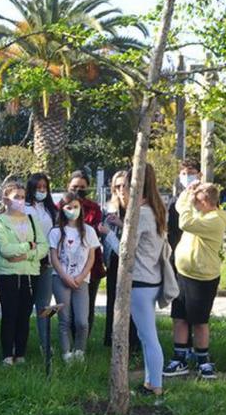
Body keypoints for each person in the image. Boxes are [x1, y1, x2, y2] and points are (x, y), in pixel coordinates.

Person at [168, 181, 226, 380]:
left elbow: (184, 222)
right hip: (183, 273)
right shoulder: (200, 214)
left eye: (197, 200)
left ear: (207, 201)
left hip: (203, 278)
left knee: (199, 322)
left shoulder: (215, 220)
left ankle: (203, 360)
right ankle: (180, 357)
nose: (193, 203)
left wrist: (188, 200)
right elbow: (180, 208)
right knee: (179, 318)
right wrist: (187, 192)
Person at [0, 180, 49, 365]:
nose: (20, 200)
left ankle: (21, 353)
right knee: (10, 314)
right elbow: (6, 249)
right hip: (8, 275)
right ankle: (7, 354)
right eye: (16, 197)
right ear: (6, 199)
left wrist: (27, 255)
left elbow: (43, 247)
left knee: (24, 315)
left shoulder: (32, 220)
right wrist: (28, 246)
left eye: (23, 197)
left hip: (30, 274)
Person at [126, 164, 169, 397]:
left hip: (141, 280)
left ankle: (156, 386)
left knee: (149, 337)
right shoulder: (156, 208)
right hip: (152, 279)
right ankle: (150, 383)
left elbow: (127, 251)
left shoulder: (142, 213)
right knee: (146, 336)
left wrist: (107, 233)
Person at [163, 158, 202, 372]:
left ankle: (200, 353)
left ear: (200, 174)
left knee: (198, 313)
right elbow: (170, 231)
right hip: (178, 262)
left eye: (192, 172)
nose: (188, 176)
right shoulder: (176, 202)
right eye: (184, 172)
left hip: (199, 264)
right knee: (179, 312)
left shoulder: (206, 200)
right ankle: (181, 353)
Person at [49, 193, 98, 362]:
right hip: (60, 279)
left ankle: (79, 351)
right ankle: (66, 353)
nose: (73, 210)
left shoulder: (89, 231)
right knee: (65, 319)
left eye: (76, 207)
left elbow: (91, 257)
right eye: (69, 207)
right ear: (62, 209)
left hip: (81, 280)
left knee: (82, 321)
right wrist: (64, 276)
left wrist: (81, 276)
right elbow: (53, 257)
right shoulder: (56, 232)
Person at [66, 171, 106, 346]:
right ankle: (67, 342)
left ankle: (82, 344)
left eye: (82, 187)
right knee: (67, 307)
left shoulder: (94, 208)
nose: (78, 190)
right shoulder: (61, 205)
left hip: (91, 265)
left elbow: (92, 231)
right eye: (75, 187)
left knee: (86, 306)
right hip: (66, 265)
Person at [102, 170, 140, 350]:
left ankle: (132, 343)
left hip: (133, 262)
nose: (120, 190)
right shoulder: (110, 207)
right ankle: (111, 340)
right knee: (113, 301)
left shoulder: (137, 208)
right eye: (117, 186)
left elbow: (134, 238)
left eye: (124, 185)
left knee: (131, 304)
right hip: (113, 262)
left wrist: (120, 224)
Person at [26, 172, 58, 357]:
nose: (41, 191)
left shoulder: (50, 209)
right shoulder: (25, 208)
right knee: (23, 305)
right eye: (38, 188)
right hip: (28, 261)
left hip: (46, 262)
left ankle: (45, 345)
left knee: (43, 305)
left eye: (44, 188)